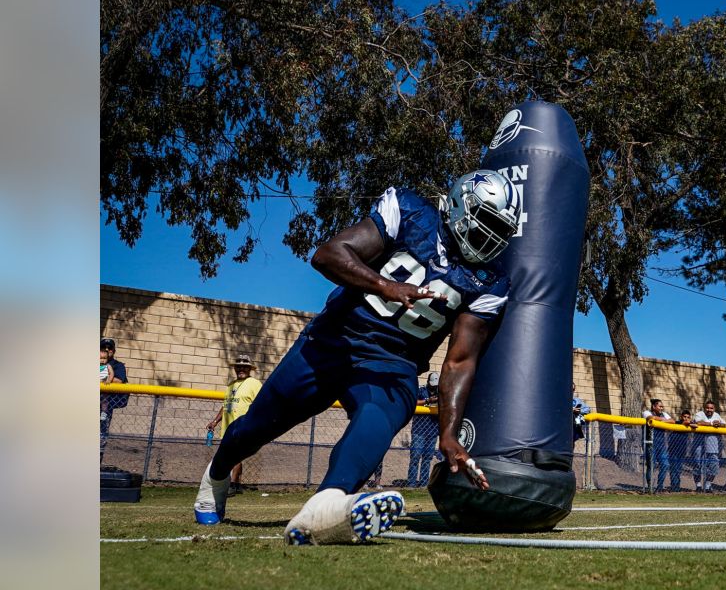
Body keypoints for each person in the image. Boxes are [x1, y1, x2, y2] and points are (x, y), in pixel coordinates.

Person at [192, 171, 520, 544]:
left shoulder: (490, 281)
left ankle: (326, 504)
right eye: (486, 223)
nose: (490, 237)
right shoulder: (412, 214)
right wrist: (385, 285)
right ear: (461, 205)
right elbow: (328, 254)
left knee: (382, 414)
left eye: (500, 230)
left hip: (394, 362)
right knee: (257, 427)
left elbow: (460, 361)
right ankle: (217, 473)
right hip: (335, 339)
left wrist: (448, 432)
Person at [204, 355, 263, 495]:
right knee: (236, 455)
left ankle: (231, 484)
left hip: (243, 425)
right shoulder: (231, 385)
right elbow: (225, 406)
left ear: (249, 369)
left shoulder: (255, 384)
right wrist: (215, 421)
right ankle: (236, 484)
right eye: (238, 366)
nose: (241, 369)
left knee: (234, 454)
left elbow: (260, 404)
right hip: (228, 426)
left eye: (244, 367)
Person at [406, 371, 442, 488]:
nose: (433, 387)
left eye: (435, 385)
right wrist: (427, 401)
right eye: (432, 384)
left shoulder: (440, 393)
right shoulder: (421, 391)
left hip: (433, 430)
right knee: (415, 456)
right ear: (428, 382)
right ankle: (411, 483)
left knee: (427, 458)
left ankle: (423, 483)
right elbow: (413, 402)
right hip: (419, 430)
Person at [99, 338, 128, 463]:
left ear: (113, 351)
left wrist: (101, 378)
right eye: (103, 347)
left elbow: (119, 380)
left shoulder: (117, 365)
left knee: (101, 435)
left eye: (109, 348)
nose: (107, 350)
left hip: (105, 406)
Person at [691, 400, 725, 492]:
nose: (709, 410)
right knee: (697, 464)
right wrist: (711, 424)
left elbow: (724, 425)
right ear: (704, 408)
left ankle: (707, 485)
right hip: (699, 443)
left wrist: (719, 424)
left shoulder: (717, 415)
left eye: (711, 408)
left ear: (714, 409)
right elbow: (699, 422)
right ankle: (698, 485)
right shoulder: (699, 414)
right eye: (707, 408)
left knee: (713, 465)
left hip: (712, 444)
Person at [642, 398, 675, 492]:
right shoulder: (646, 412)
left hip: (661, 444)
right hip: (650, 443)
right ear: (653, 406)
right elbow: (650, 418)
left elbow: (672, 421)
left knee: (665, 465)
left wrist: (661, 420)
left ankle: (659, 486)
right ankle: (649, 487)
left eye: (662, 406)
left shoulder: (664, 414)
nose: (661, 408)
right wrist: (663, 420)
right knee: (651, 465)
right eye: (660, 406)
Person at [666, 410, 695, 491]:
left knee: (678, 469)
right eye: (684, 417)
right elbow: (681, 424)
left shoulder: (689, 425)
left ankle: (677, 486)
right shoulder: (677, 423)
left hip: (682, 450)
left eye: (688, 417)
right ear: (681, 417)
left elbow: (696, 425)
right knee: (673, 468)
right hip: (673, 449)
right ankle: (674, 486)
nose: (686, 418)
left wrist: (691, 423)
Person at [571, 382, 591, 447]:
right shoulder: (560, 399)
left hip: (573, 427)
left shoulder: (576, 401)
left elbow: (587, 409)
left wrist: (579, 411)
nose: (572, 391)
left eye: (573, 389)